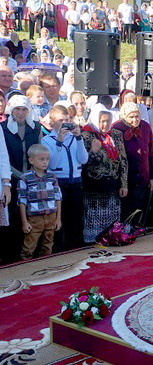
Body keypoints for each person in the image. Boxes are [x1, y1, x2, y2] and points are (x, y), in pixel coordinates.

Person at [0, 96, 41, 263]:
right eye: (17, 109)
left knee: (32, 216)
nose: (20, 112)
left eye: (24, 109)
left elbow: (39, 152)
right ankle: (12, 254)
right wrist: (19, 176)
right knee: (15, 217)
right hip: (12, 180)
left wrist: (33, 174)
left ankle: (31, 252)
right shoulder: (3, 128)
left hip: (32, 179)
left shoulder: (36, 127)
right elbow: (3, 158)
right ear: (11, 110)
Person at [41, 105, 88, 251]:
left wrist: (79, 138)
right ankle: (59, 249)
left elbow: (83, 159)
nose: (65, 123)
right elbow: (53, 164)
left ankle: (74, 247)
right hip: (59, 182)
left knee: (75, 218)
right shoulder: (47, 140)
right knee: (60, 218)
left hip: (76, 181)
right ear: (52, 122)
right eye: (61, 120)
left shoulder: (75, 138)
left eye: (67, 120)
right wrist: (59, 142)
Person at [81, 105, 128, 243]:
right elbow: (83, 163)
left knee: (111, 218)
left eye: (108, 120)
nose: (105, 124)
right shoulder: (86, 136)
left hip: (112, 185)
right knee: (94, 219)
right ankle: (92, 243)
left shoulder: (116, 135)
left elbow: (123, 161)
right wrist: (93, 152)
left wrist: (124, 184)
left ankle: (111, 239)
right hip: (93, 186)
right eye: (102, 121)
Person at [112, 102, 153, 221]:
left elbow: (152, 152)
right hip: (126, 178)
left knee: (140, 208)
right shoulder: (117, 128)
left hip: (143, 175)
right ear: (124, 116)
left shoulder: (146, 127)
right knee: (126, 209)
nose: (135, 120)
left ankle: (139, 230)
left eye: (137, 116)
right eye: (131, 117)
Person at [18, 144, 61, 260]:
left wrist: (58, 218)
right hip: (34, 219)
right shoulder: (25, 178)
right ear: (31, 160)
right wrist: (24, 222)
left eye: (47, 159)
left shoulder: (52, 176)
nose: (45, 162)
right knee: (28, 247)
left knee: (47, 246)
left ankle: (45, 271)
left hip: (51, 216)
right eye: (41, 159)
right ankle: (25, 271)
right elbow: (22, 201)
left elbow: (58, 197)